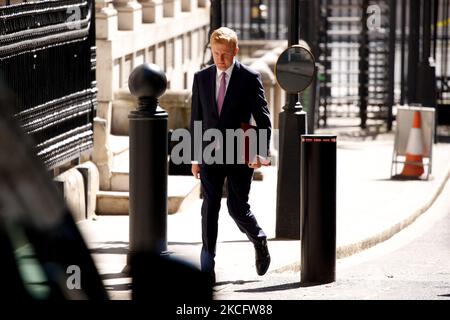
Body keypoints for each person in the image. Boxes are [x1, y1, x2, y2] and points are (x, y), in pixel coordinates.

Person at [190, 27, 271, 286]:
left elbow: (263, 119)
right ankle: (207, 265)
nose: (220, 59)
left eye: (225, 54)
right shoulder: (201, 78)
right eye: (216, 53)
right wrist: (194, 156)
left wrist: (259, 152)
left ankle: (258, 239)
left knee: (236, 208)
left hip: (241, 151)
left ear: (235, 51)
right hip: (210, 153)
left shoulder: (249, 78)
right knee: (209, 207)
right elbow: (196, 119)